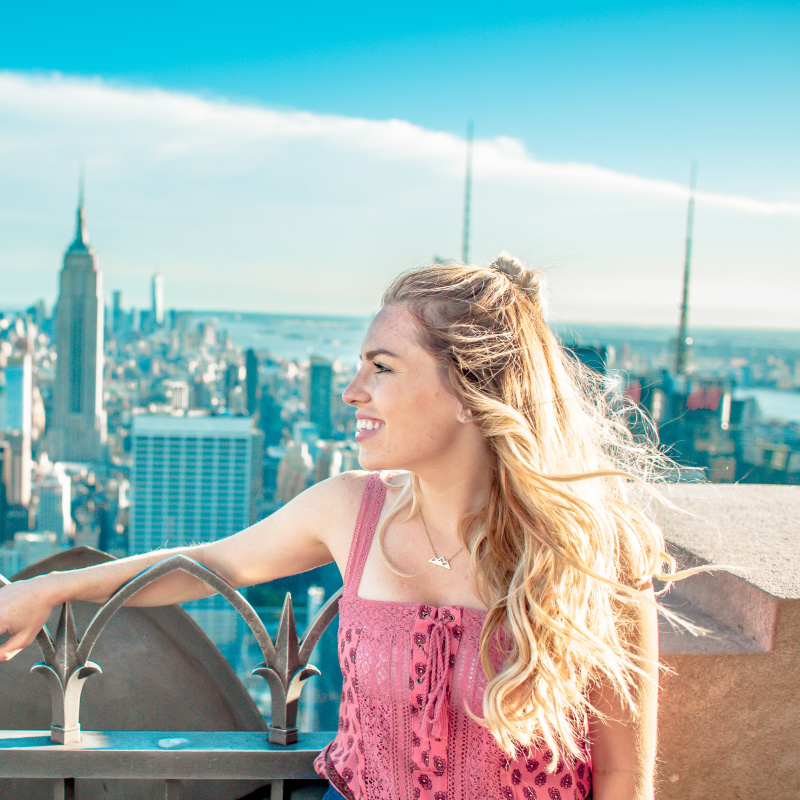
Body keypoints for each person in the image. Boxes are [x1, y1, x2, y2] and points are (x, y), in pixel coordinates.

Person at [0, 254, 679, 800]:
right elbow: (207, 566)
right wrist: (51, 588)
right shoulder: (351, 509)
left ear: (473, 389)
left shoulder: (592, 551)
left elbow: (623, 777)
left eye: (380, 368)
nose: (351, 391)